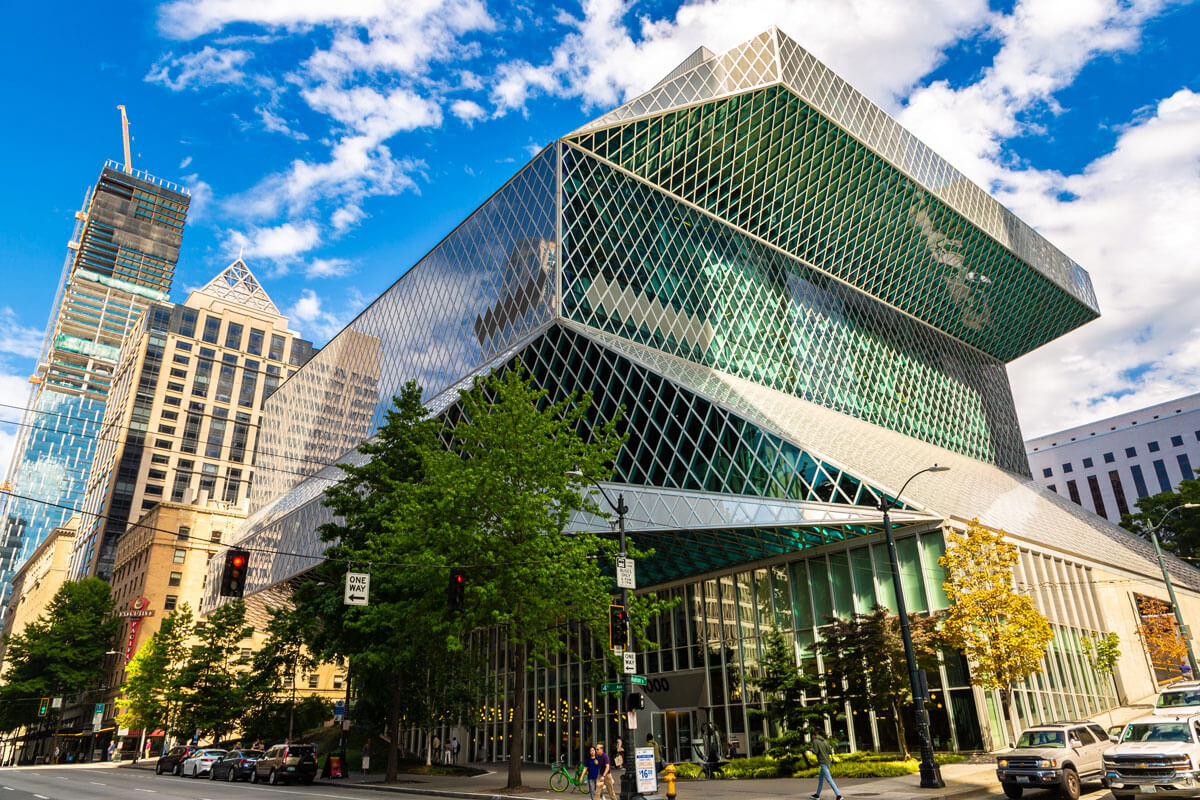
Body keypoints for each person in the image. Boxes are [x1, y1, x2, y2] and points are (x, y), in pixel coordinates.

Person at [810, 731, 842, 800]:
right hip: (828, 761)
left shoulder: (815, 741)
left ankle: (838, 795)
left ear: (814, 735)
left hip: (823, 762)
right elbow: (830, 751)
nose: (811, 738)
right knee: (820, 779)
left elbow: (816, 751)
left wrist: (811, 749)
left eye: (811, 736)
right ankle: (817, 795)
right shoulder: (825, 741)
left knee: (829, 779)